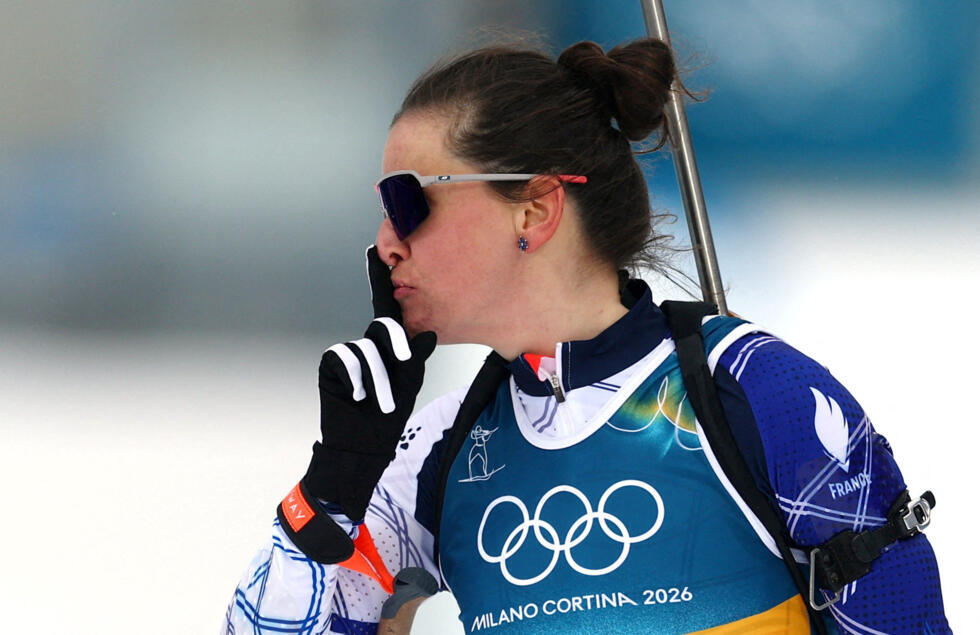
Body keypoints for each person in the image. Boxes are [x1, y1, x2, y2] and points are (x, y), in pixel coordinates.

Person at [223, 37, 950, 634]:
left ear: (535, 209)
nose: (385, 241)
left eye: (408, 200)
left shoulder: (754, 391)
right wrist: (336, 484)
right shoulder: (440, 450)